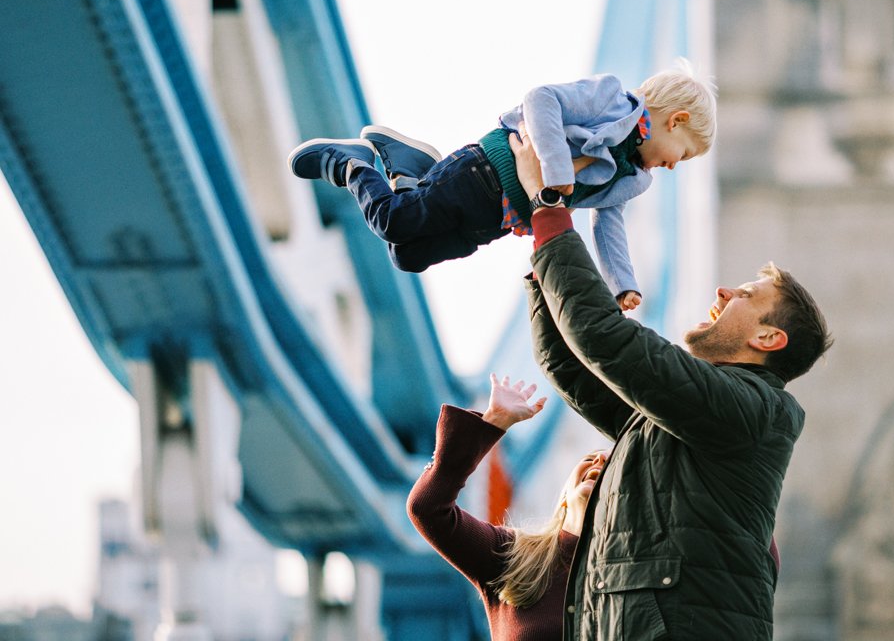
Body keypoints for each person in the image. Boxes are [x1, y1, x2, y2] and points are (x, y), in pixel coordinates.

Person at [511, 133, 833, 639]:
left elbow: (605, 339)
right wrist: (541, 270)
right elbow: (572, 367)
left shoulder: (746, 409)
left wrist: (549, 210)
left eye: (745, 294)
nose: (724, 290)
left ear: (768, 336)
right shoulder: (689, 414)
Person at [287, 63, 717, 310]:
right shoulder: (611, 101)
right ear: (674, 120)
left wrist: (622, 282)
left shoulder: (634, 179)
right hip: (483, 174)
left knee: (409, 255)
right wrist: (553, 165)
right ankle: (351, 164)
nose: (674, 167)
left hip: (497, 221)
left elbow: (609, 223)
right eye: (684, 153)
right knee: (394, 222)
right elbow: (541, 98)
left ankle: (409, 167)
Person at [407, 374, 611, 641]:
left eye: (611, 466)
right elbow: (428, 508)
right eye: (590, 459)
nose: (599, 463)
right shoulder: (512, 556)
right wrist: (492, 423)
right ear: (563, 496)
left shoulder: (642, 575)